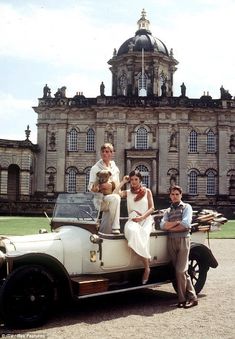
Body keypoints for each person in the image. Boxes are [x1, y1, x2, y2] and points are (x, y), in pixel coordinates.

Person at [160, 185, 198, 308]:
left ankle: (184, 298)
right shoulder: (167, 211)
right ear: (170, 196)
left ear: (181, 195)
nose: (175, 196)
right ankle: (191, 298)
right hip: (171, 241)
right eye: (173, 194)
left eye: (177, 194)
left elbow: (186, 224)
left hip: (183, 240)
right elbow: (162, 225)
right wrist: (177, 223)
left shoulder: (187, 207)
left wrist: (171, 226)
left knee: (180, 270)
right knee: (181, 272)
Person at [117, 170, 155, 284]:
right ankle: (147, 263)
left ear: (140, 180)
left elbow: (152, 208)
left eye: (136, 179)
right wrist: (123, 181)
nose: (133, 182)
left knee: (143, 233)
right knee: (132, 231)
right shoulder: (128, 192)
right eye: (132, 179)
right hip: (132, 220)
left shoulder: (147, 191)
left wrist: (142, 217)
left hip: (145, 219)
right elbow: (115, 193)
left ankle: (146, 268)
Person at [88, 143, 121, 234]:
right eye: (102, 152)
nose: (104, 154)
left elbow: (118, 185)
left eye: (107, 152)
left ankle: (105, 237)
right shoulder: (95, 168)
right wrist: (97, 188)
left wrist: (111, 185)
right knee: (116, 198)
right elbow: (90, 186)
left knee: (106, 227)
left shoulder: (115, 169)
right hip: (100, 199)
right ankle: (116, 227)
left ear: (111, 153)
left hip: (111, 198)